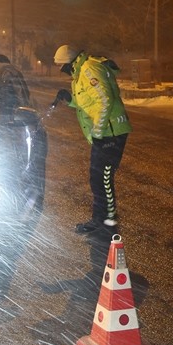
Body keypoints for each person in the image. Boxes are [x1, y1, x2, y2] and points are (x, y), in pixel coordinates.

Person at [51, 44, 131, 234]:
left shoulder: (89, 69)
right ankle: (101, 219)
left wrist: (97, 132)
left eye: (61, 66)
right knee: (98, 179)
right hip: (106, 132)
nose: (61, 70)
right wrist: (68, 98)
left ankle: (107, 222)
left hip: (110, 132)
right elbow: (86, 103)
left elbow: (105, 100)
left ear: (69, 62)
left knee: (102, 178)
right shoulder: (80, 73)